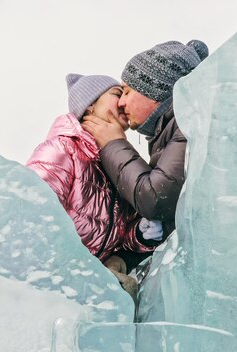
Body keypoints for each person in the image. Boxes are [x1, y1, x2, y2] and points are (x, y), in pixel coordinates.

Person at [26, 73, 163, 300]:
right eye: (116, 94)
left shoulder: (114, 161)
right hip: (55, 287)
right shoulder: (62, 148)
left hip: (91, 291)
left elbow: (120, 234)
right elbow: (33, 217)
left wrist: (140, 233)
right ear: (89, 106)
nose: (122, 102)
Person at [81, 40, 209, 272]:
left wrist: (113, 143)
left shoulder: (187, 123)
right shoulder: (167, 135)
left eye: (127, 92)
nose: (121, 102)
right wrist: (125, 259)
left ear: (155, 90)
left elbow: (157, 200)